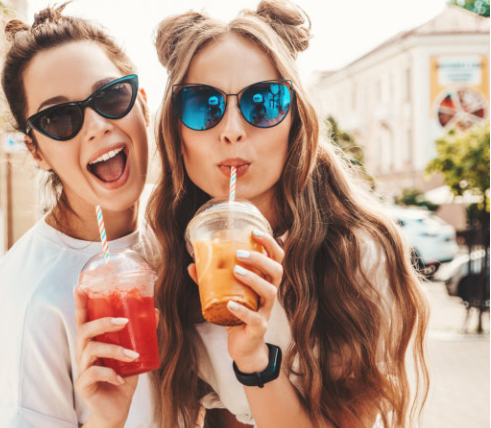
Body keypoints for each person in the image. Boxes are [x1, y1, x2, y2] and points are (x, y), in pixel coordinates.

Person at [146, 1, 429, 427]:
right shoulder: (169, 250)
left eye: (262, 103)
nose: (232, 129)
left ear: (296, 119)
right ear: (175, 131)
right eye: (203, 105)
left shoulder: (358, 253)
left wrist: (255, 358)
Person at [0, 4, 155, 427]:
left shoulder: (185, 235)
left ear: (143, 105)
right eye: (60, 117)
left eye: (111, 95)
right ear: (36, 151)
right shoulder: (32, 292)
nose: (96, 125)